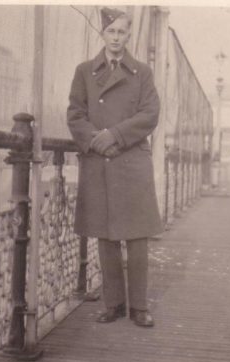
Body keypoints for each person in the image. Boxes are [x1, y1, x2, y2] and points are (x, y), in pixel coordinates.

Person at [67, 7, 162, 327]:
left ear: (128, 35)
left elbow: (150, 114)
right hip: (99, 160)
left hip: (131, 161)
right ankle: (114, 303)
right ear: (103, 34)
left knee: (137, 238)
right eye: (111, 32)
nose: (116, 38)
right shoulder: (84, 72)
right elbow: (75, 115)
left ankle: (139, 307)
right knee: (105, 236)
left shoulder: (142, 73)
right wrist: (96, 140)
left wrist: (114, 135)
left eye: (122, 32)